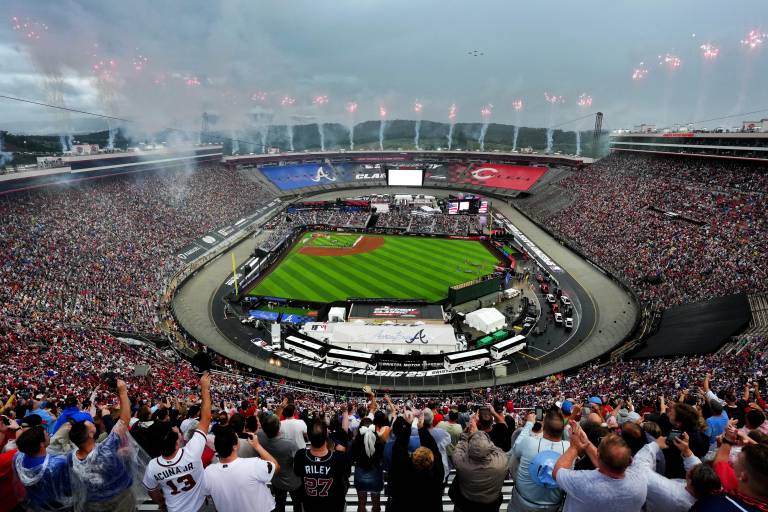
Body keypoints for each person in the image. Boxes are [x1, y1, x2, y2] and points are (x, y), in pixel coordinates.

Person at [142, 372, 212, 512]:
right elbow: (205, 419)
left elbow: (152, 490)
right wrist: (205, 389)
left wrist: (162, 504)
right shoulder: (191, 452)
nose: (178, 432)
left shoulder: (153, 466)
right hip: (199, 507)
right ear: (176, 443)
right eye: (177, 433)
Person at [68, 379, 135, 511]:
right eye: (89, 424)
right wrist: (122, 392)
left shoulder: (71, 458)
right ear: (90, 434)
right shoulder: (106, 449)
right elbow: (124, 421)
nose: (91, 422)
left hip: (92, 503)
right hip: (120, 501)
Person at [553, 423, 647, 512]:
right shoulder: (640, 482)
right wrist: (587, 444)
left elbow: (557, 472)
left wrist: (574, 447)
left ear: (598, 456)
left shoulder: (583, 482)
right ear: (630, 460)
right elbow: (609, 468)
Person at [632, 431, 721, 511]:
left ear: (690, 480)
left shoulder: (671, 493)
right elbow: (697, 467)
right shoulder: (707, 491)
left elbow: (640, 469)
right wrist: (686, 450)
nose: (693, 466)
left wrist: (655, 445)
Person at [690, 423, 768, 511]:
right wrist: (732, 439)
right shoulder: (745, 483)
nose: (733, 463)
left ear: (743, 476)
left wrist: (729, 439)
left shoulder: (710, 506)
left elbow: (720, 462)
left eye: (738, 458)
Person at [203, 426, 279, 511]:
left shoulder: (208, 472)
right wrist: (257, 446)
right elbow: (276, 467)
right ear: (234, 447)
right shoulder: (253, 464)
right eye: (237, 438)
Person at [509, 409, 569, 512]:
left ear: (543, 427)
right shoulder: (569, 449)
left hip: (522, 504)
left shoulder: (529, 443)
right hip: (553, 506)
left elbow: (515, 450)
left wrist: (529, 424)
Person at [451, 415, 508, 512]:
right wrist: (480, 435)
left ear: (470, 447)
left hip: (466, 504)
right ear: (488, 445)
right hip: (490, 506)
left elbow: (460, 446)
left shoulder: (460, 462)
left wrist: (469, 433)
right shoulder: (502, 461)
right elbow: (497, 449)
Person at [293, 419, 351, 512]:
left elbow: (297, 473)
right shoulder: (339, 458)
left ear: (308, 436)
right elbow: (346, 477)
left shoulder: (300, 455)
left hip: (310, 506)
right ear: (326, 435)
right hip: (334, 506)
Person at [13, 424, 72, 511]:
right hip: (56, 504)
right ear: (41, 444)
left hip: (33, 501)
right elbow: (69, 487)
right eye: (46, 434)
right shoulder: (56, 464)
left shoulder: (18, 458)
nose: (49, 434)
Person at [258, 413, 303, 512]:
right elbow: (298, 461)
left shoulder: (260, 436)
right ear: (278, 428)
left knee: (279, 504)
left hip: (276, 478)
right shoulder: (290, 444)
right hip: (292, 480)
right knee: (297, 504)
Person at [351, 417, 385, 512]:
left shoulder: (355, 442)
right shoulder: (380, 442)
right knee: (376, 504)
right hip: (376, 474)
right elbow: (382, 459)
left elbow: (352, 459)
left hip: (360, 475)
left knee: (361, 503)